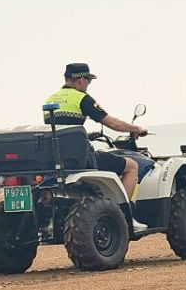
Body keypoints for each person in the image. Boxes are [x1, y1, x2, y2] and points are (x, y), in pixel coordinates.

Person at [45, 63, 149, 202]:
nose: (88, 85)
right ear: (81, 80)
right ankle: (123, 213)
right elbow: (114, 123)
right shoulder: (81, 98)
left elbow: (62, 129)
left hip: (56, 157)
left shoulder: (50, 99)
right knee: (131, 166)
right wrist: (137, 129)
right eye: (89, 81)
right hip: (81, 158)